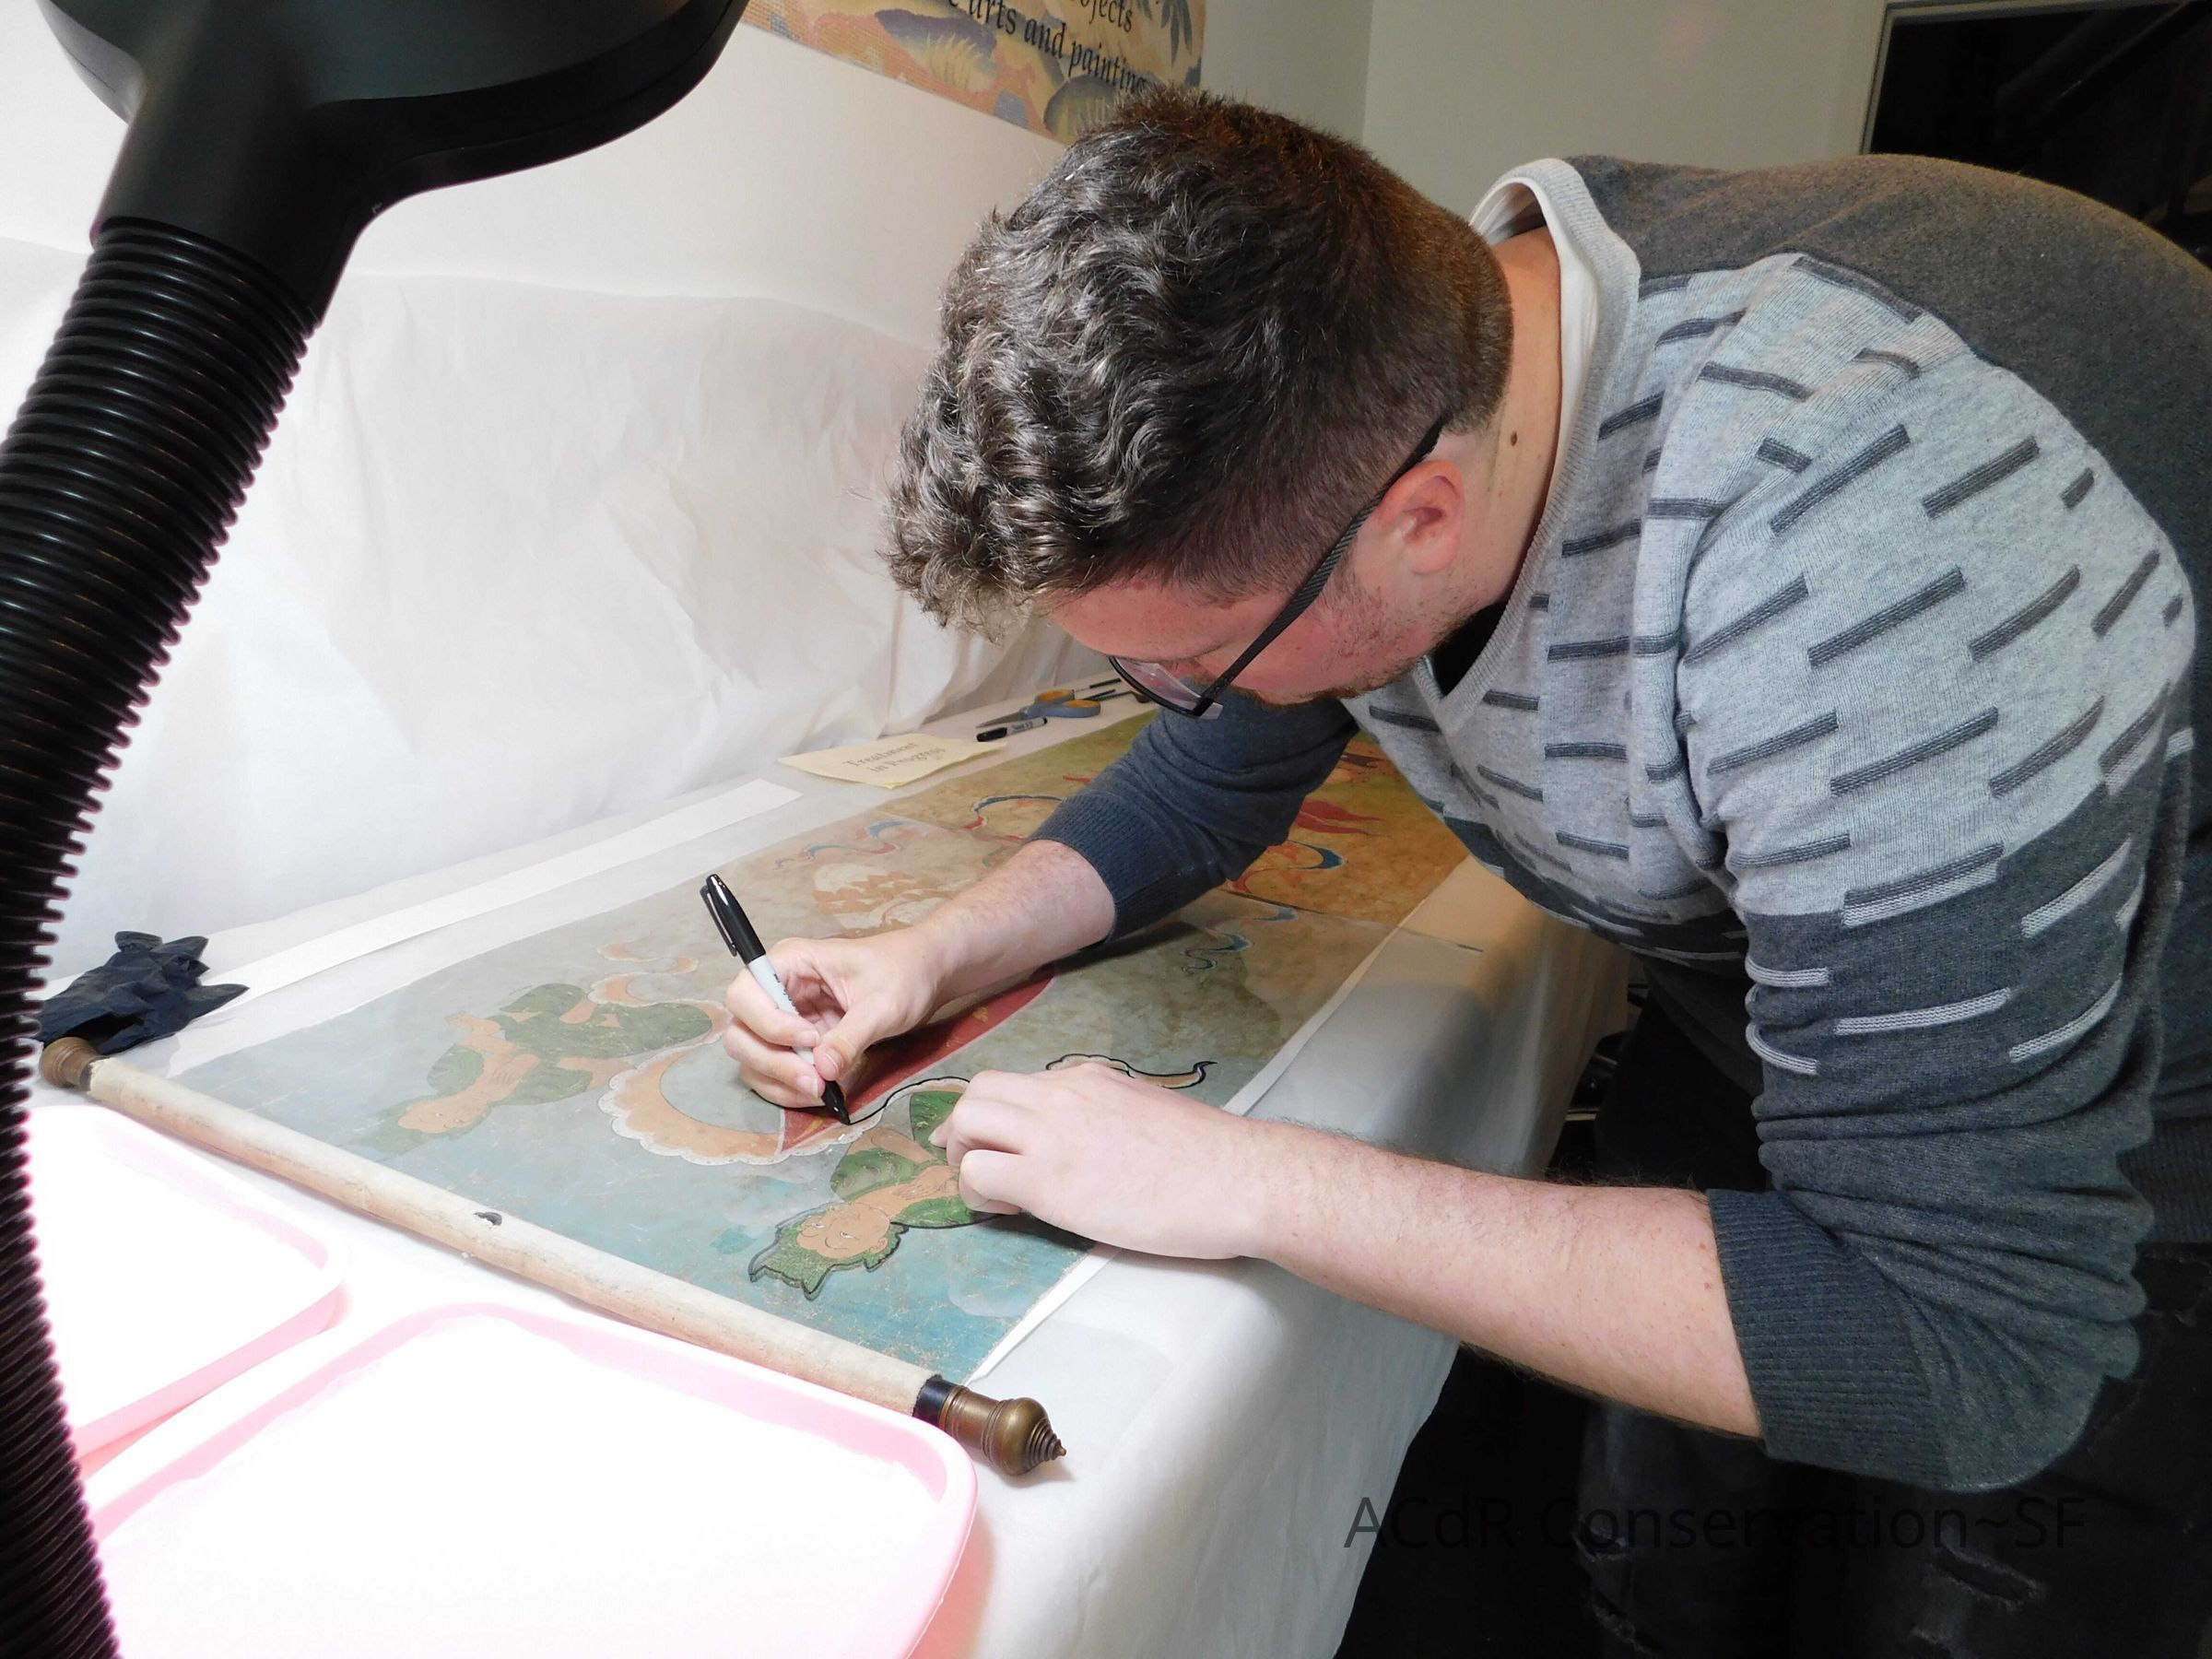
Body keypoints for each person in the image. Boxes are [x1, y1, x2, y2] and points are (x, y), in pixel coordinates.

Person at [725, 90, 2212, 1654]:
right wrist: (933, 953)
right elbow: (1216, 768)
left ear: (1421, 521)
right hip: (1767, 1004)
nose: (1186, 699)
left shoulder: (1856, 543)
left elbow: (1967, 1348)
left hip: (2125, 1134)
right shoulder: (1407, 372)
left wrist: (1245, 1180)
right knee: (1657, 1559)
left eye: (1188, 660)